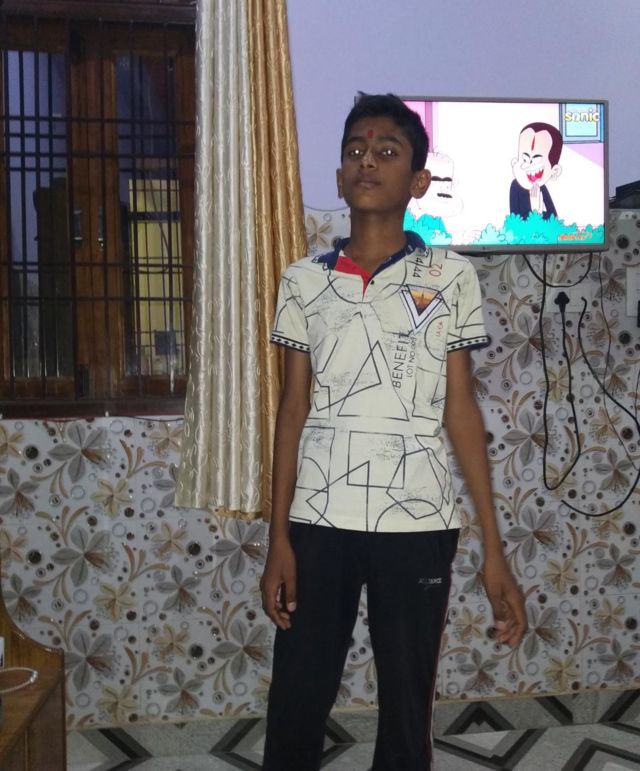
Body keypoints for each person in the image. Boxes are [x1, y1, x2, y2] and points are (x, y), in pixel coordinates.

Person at [261, 93, 527, 771]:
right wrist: (278, 539)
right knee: (296, 697)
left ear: (417, 180)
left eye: (386, 150)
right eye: (355, 150)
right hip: (318, 520)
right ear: (339, 174)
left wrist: (494, 548)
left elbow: (461, 409)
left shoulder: (450, 277)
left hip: (418, 522)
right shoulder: (303, 281)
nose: (367, 161)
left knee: (408, 708)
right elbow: (292, 408)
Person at [510, 121, 563, 220]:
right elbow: (515, 219)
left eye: (536, 160)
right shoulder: (515, 186)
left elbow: (554, 218)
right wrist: (534, 211)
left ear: (554, 170)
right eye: (524, 159)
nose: (529, 165)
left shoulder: (541, 188)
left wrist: (538, 211)